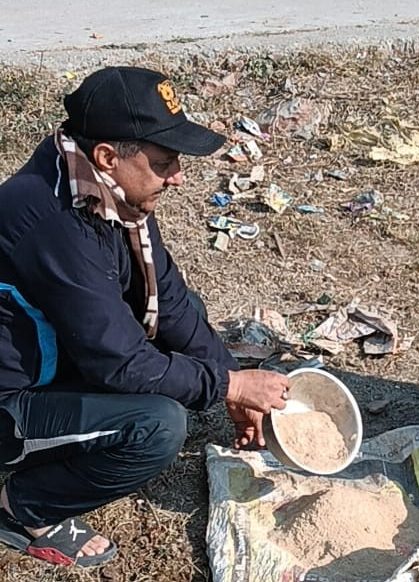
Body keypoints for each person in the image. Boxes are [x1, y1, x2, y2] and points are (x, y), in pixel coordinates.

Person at [0, 66, 289, 567]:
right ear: (109, 157)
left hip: (60, 356)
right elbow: (120, 364)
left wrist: (231, 374)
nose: (177, 176)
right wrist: (228, 388)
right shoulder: (54, 222)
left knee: (188, 319)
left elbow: (170, 300)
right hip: (11, 401)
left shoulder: (102, 191)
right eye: (164, 162)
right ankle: (24, 507)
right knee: (157, 426)